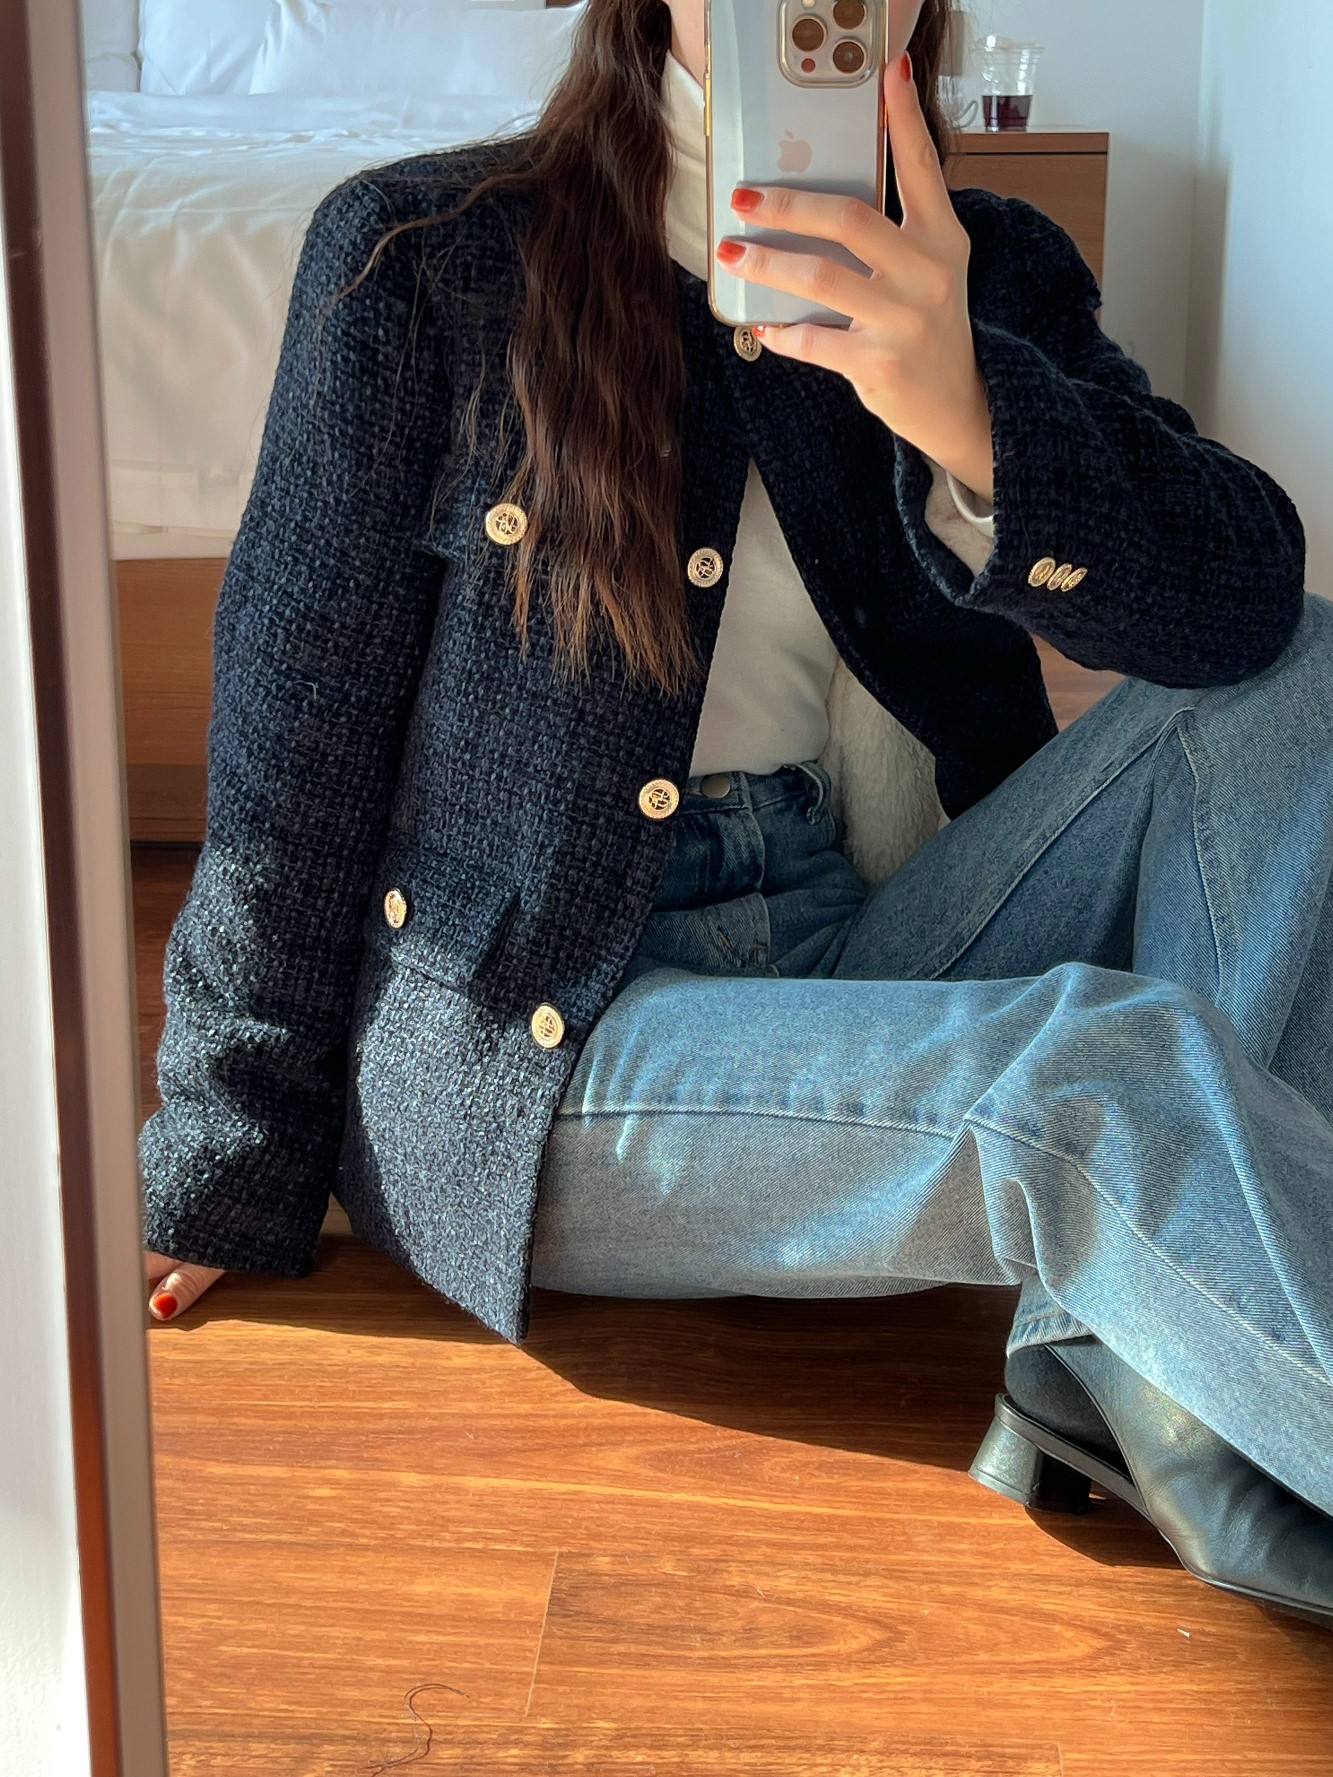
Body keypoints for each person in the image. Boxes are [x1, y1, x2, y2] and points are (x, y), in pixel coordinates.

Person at [139, 0, 1333, 1625]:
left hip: (869, 929)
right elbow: (292, 738)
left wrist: (972, 413)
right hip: (548, 1036)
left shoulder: (986, 271)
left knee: (1299, 668)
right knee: (1100, 1080)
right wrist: (225, 1150)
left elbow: (1244, 593)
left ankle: (1133, 1360)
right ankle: (1193, 1340)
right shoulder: (418, 259)